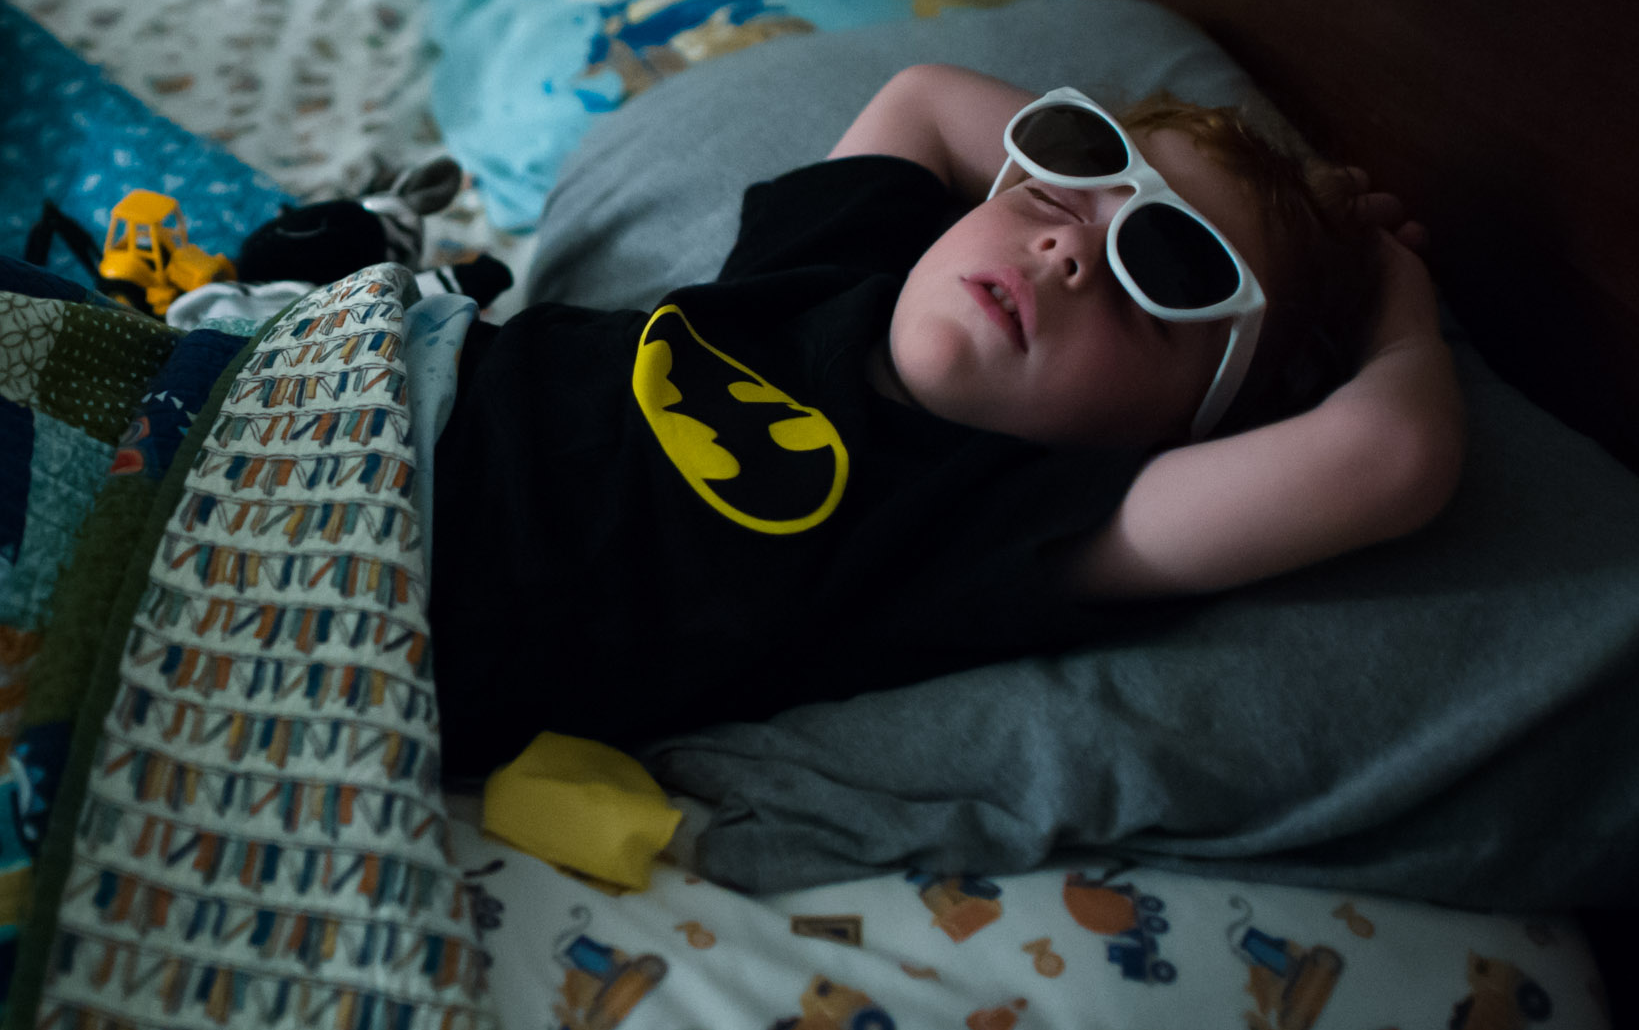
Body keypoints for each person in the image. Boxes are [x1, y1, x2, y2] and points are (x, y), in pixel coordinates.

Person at [426, 63, 1464, 779]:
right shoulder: (826, 265)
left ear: (1195, 429)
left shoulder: (1009, 521)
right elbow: (923, 99)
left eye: (1169, 275)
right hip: (389, 374)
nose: (1070, 253)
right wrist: (1213, 181)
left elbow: (1388, 456)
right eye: (1063, 193)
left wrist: (1385, 283)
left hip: (400, 576)